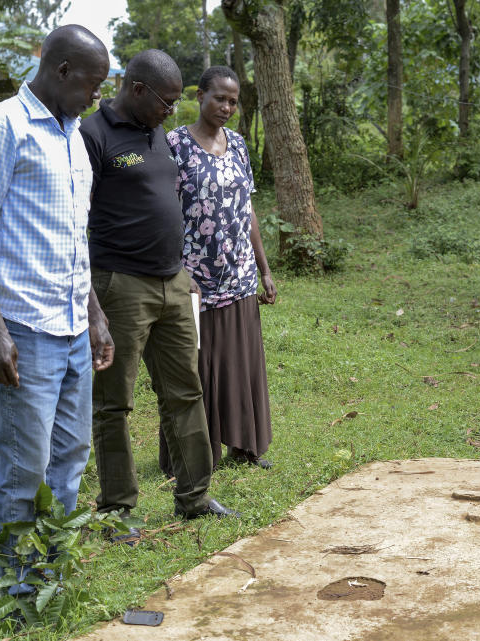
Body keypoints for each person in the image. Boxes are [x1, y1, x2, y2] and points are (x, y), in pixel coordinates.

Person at [0, 25, 114, 588]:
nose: (98, 96)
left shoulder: (73, 134)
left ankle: (52, 577)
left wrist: (94, 314)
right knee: (24, 468)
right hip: (24, 327)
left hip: (72, 324)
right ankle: (19, 593)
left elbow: (74, 236)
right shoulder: (2, 126)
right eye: (93, 84)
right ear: (63, 71)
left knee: (70, 459)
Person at [80, 49, 239, 521]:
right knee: (115, 403)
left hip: (173, 280)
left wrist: (182, 272)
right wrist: (91, 301)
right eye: (166, 102)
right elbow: (75, 216)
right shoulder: (93, 135)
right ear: (136, 89)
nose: (172, 113)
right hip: (120, 284)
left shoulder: (157, 132)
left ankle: (194, 497)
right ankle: (117, 508)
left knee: (184, 392)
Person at [161, 66, 277, 475]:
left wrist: (263, 268)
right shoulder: (174, 144)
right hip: (193, 277)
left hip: (240, 273)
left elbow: (248, 210)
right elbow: (162, 213)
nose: (227, 107)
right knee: (195, 366)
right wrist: (175, 268)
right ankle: (191, 456)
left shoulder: (240, 145)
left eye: (233, 101)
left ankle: (245, 446)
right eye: (219, 99)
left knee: (240, 363)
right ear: (199, 96)